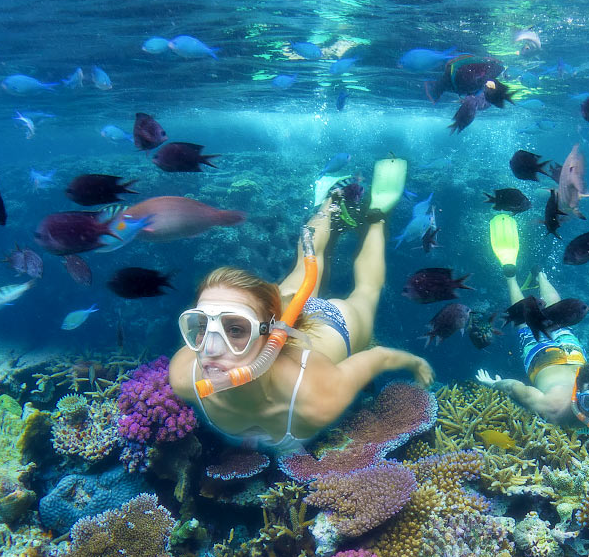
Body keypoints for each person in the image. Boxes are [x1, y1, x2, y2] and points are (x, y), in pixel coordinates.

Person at [168, 188, 432, 454]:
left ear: (271, 338)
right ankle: (333, 199)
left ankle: (377, 216)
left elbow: (379, 356)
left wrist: (416, 363)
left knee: (366, 292)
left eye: (235, 329)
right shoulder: (183, 374)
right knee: (305, 264)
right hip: (282, 305)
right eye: (201, 326)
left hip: (331, 325)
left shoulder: (315, 398)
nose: (210, 348)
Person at [475, 269, 589, 427]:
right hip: (542, 355)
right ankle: (514, 277)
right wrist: (494, 384)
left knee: (551, 314)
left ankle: (537, 275)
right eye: (588, 401)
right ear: (577, 392)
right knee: (528, 322)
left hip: (570, 351)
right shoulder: (553, 407)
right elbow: (514, 388)